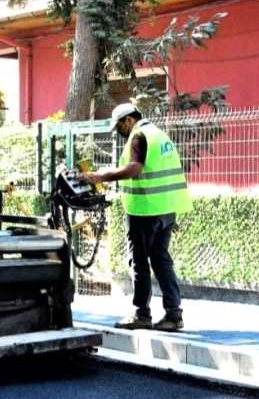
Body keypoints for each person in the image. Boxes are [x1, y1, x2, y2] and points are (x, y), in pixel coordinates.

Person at [78, 103, 192, 331]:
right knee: (161, 260)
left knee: (139, 261)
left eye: (119, 125)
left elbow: (134, 169)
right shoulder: (160, 135)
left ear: (129, 120)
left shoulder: (139, 136)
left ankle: (141, 314)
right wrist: (168, 214)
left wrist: (98, 176)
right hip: (166, 211)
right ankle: (174, 314)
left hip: (144, 210)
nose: (118, 131)